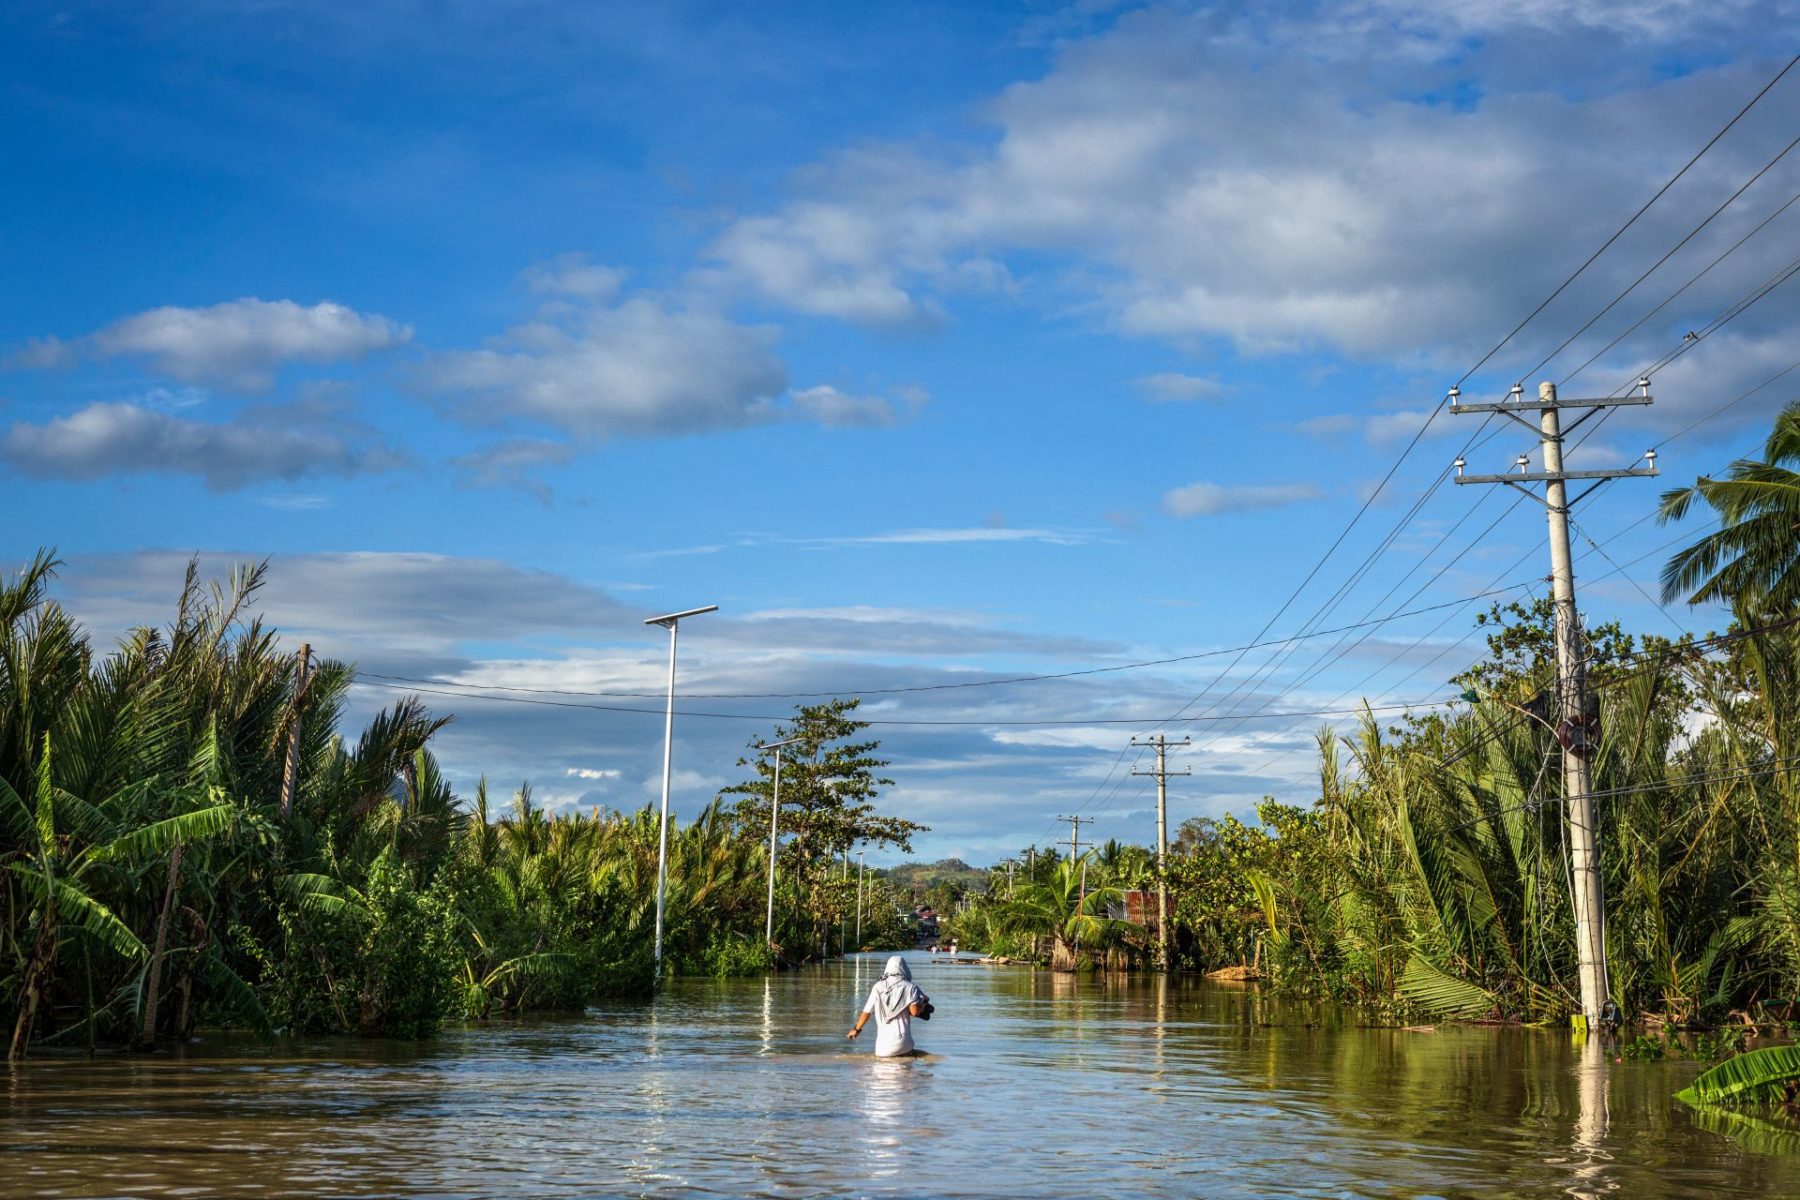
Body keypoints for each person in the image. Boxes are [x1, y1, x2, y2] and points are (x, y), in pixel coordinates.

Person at [847, 955, 925, 1057]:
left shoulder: (877, 987)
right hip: (903, 1044)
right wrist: (923, 1004)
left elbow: (866, 1012)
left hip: (883, 1047)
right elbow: (914, 1012)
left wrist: (856, 1030)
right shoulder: (911, 987)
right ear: (905, 969)